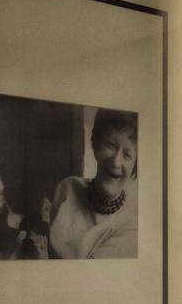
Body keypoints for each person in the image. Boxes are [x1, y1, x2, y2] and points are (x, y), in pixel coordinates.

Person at [48, 108, 138, 259]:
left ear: (135, 166)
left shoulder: (131, 225)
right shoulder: (67, 188)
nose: (116, 162)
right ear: (96, 146)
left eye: (127, 155)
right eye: (111, 145)